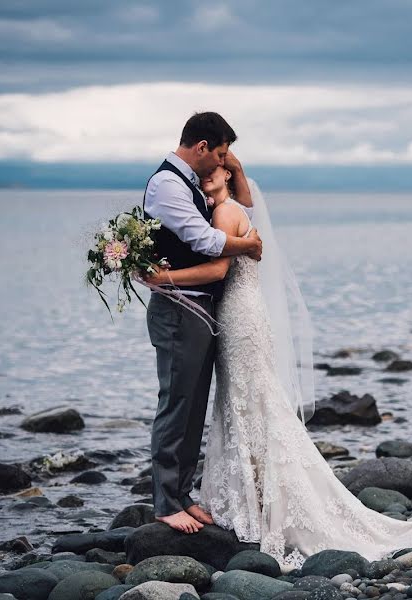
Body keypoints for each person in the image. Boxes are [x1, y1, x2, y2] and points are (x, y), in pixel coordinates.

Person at [143, 166, 412, 569]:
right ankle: (256, 497)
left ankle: (262, 502)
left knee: (251, 404)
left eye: (214, 172)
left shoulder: (225, 213)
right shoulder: (229, 210)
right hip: (236, 316)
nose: (205, 179)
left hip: (238, 319)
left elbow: (217, 270)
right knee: (246, 404)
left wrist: (161, 278)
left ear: (228, 176)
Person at [142, 112, 262, 535]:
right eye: (221, 154)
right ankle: (164, 502)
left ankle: (181, 494)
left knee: (193, 407)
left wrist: (236, 170)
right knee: (176, 404)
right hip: (178, 308)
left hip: (197, 309)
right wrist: (248, 244)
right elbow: (204, 241)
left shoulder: (193, 182)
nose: (222, 163)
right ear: (201, 148)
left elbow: (237, 207)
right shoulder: (168, 184)